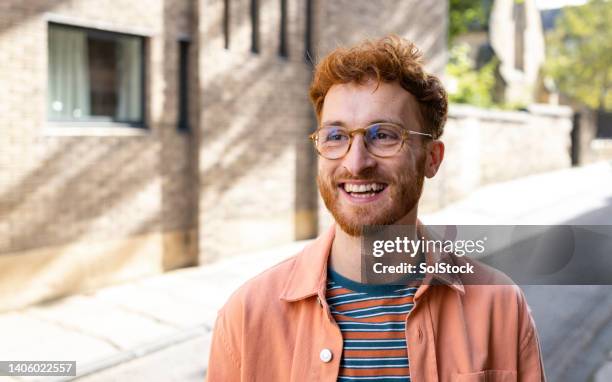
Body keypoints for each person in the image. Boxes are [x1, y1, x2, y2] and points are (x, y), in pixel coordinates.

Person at [205, 35, 546, 382]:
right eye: (336, 136)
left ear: (432, 158)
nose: (356, 163)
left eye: (383, 135)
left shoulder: (500, 307)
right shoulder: (247, 317)